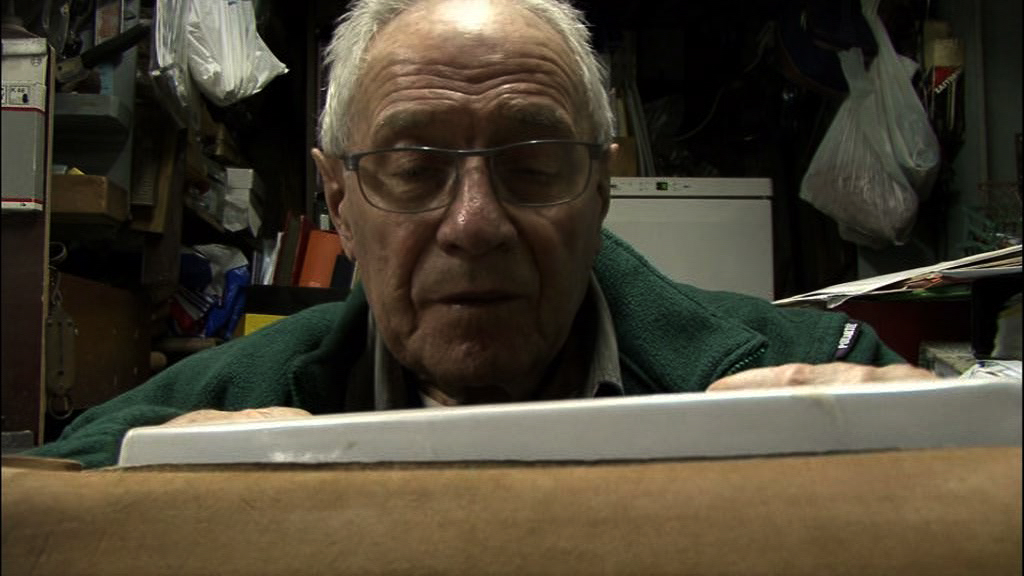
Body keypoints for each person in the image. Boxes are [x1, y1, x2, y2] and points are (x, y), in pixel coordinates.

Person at [28, 0, 930, 468]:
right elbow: (43, 494)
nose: (475, 224)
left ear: (600, 188)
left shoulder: (795, 372)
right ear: (340, 200)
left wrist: (926, 438)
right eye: (414, 167)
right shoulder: (233, 405)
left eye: (533, 162)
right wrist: (157, 475)